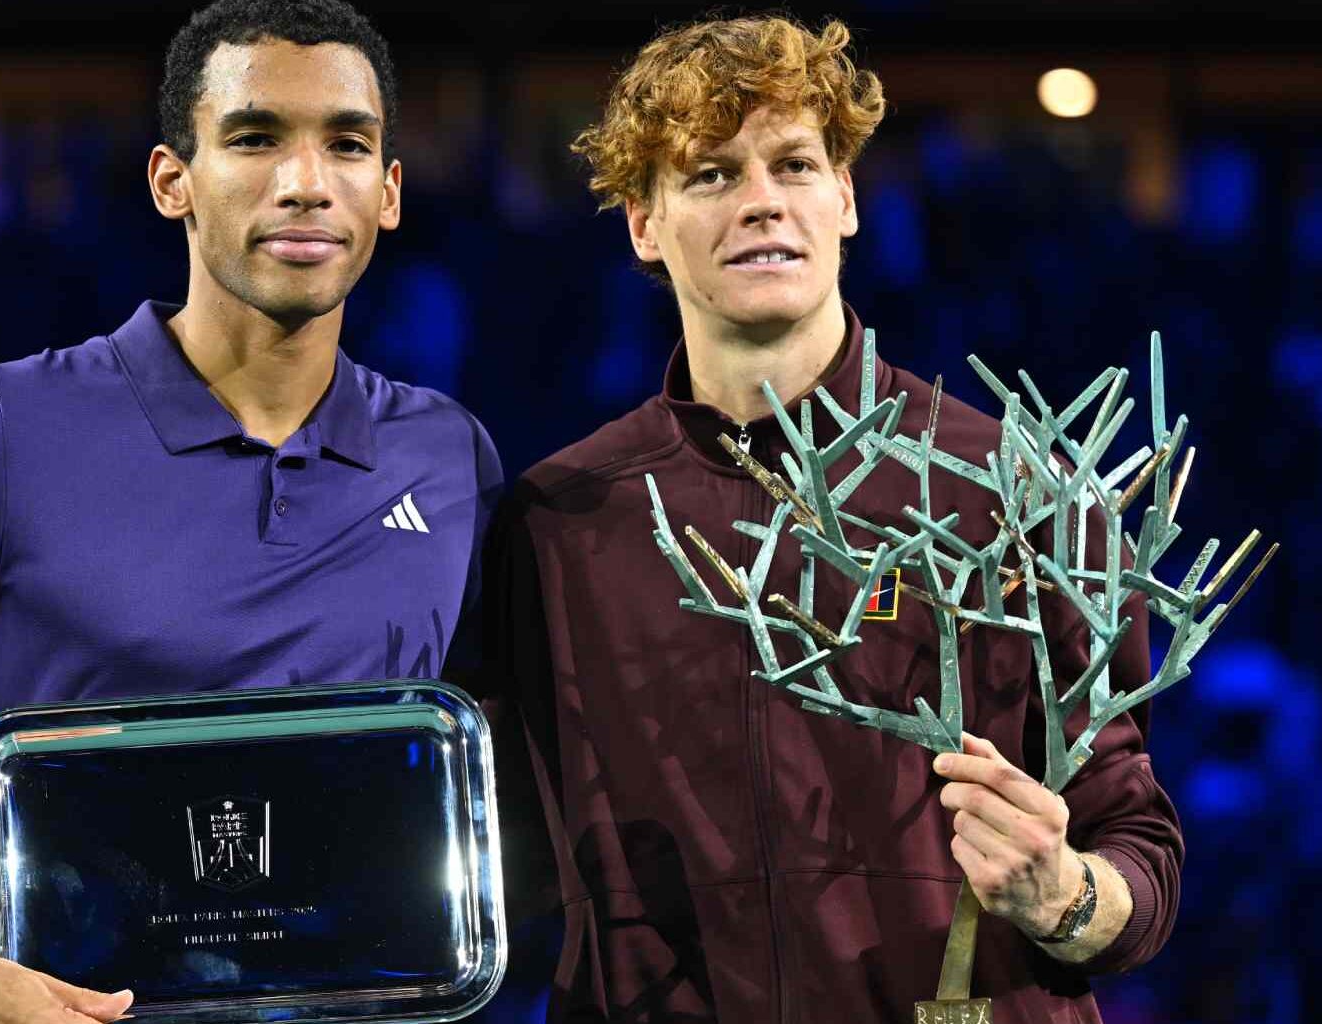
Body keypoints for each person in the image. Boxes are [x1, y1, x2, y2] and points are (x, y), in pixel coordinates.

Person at [0, 2, 501, 1022]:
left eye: (347, 144)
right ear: (174, 180)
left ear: (388, 193)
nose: (306, 183)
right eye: (254, 139)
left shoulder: (448, 457)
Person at [477, 14, 1181, 1022]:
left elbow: (1138, 852)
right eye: (711, 174)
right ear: (642, 221)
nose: (762, 202)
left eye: (795, 164)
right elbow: (499, 864)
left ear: (845, 198)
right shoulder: (560, 522)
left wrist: (1060, 891)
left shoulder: (1013, 486)